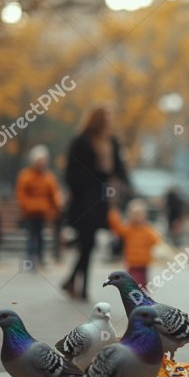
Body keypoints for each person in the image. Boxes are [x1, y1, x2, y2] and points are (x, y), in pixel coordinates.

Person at [63, 107, 129, 300]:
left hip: (101, 196)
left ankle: (72, 281)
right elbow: (71, 172)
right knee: (87, 241)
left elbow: (119, 169)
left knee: (88, 243)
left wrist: (124, 186)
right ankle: (79, 287)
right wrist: (79, 190)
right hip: (84, 198)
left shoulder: (111, 142)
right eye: (106, 117)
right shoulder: (81, 141)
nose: (109, 121)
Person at [15, 145, 62, 269]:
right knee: (31, 236)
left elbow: (54, 194)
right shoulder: (25, 175)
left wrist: (56, 208)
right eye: (39, 161)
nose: (42, 164)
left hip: (42, 212)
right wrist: (27, 206)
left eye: (43, 161)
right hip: (29, 213)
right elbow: (21, 194)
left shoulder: (48, 177)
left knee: (41, 236)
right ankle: (30, 261)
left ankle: (40, 258)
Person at [108, 199, 160, 288]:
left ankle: (141, 299)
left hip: (143, 263)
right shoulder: (128, 229)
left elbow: (155, 240)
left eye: (139, 214)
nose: (137, 217)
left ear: (145, 215)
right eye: (135, 214)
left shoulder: (147, 229)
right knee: (133, 284)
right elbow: (117, 227)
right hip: (132, 263)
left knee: (143, 285)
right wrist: (113, 212)